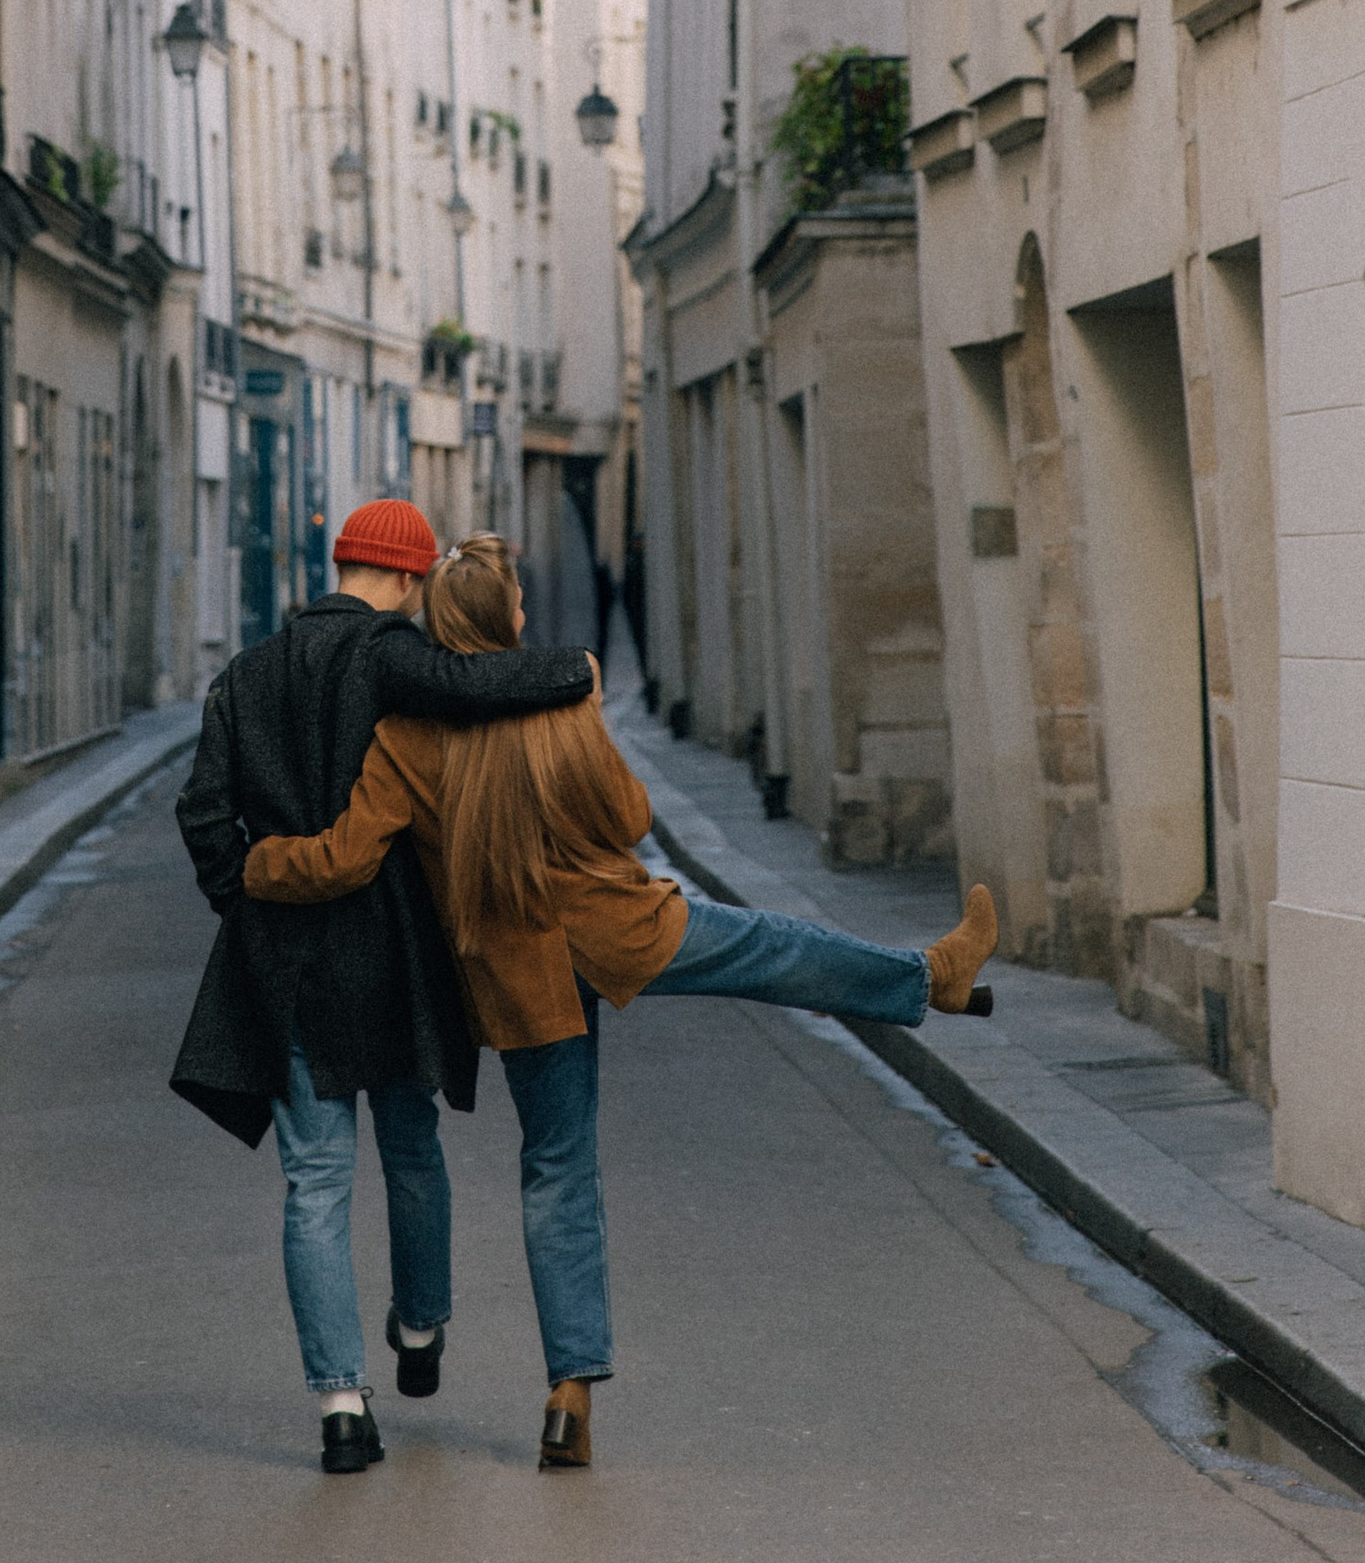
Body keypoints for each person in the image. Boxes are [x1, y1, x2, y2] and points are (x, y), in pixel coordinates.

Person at [243, 535, 996, 1474]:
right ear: (504, 618)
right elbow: (631, 819)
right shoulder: (558, 707)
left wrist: (262, 864)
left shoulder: (406, 739)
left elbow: (348, 857)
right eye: (519, 601)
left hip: (518, 976)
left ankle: (573, 1397)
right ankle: (927, 979)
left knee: (556, 1167)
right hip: (618, 928)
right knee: (772, 948)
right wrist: (586, 722)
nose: (527, 612)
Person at [171, 497, 594, 1475]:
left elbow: (202, 815)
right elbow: (478, 681)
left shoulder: (244, 674)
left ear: (341, 564)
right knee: (411, 1147)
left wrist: (248, 897)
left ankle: (339, 1406)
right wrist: (578, 669)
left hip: (285, 963)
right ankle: (419, 1326)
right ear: (406, 578)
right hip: (392, 957)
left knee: (315, 1180)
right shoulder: (391, 656)